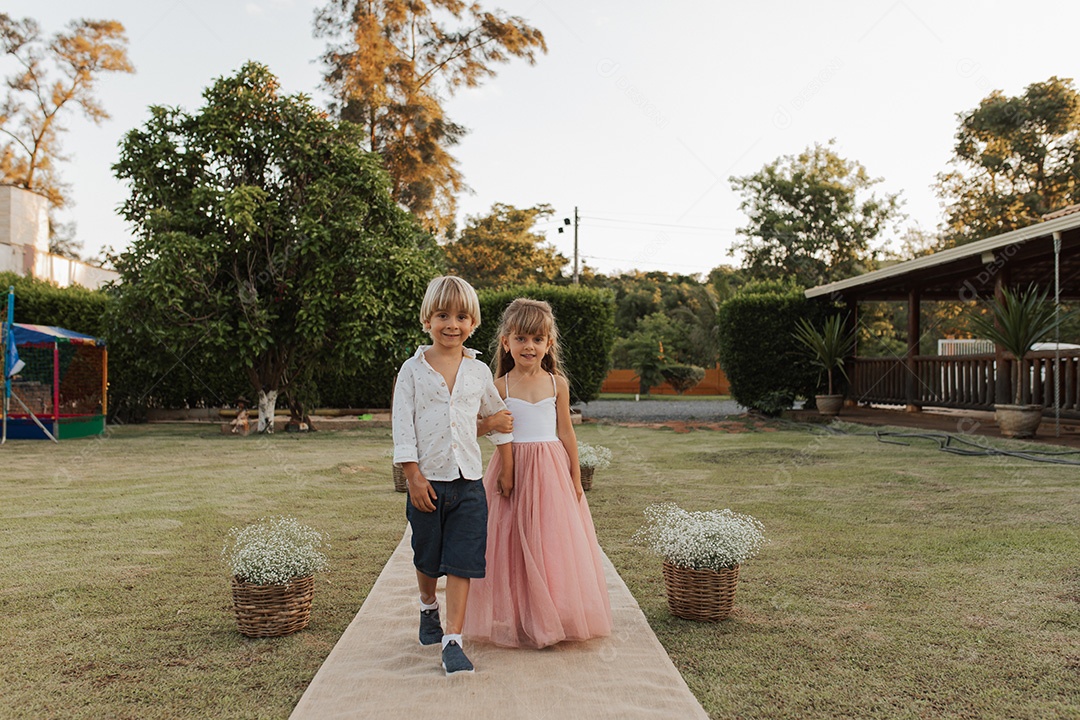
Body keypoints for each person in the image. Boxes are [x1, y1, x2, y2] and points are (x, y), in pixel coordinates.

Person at [464, 298, 613, 648]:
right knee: (511, 544)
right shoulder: (499, 386)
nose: (528, 346)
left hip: (550, 472)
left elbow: (566, 432)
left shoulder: (556, 383)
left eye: (536, 339)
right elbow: (483, 427)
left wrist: (575, 477)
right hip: (511, 468)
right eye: (520, 339)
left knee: (549, 542)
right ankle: (517, 616)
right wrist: (503, 464)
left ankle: (549, 615)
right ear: (506, 343)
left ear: (548, 344)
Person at [392, 275, 514, 675]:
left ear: (473, 323)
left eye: (461, 316)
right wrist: (413, 475)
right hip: (427, 482)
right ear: (427, 319)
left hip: (469, 484)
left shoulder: (478, 373)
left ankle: (453, 640)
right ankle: (429, 606)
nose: (452, 324)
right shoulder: (411, 371)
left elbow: (498, 420)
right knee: (427, 557)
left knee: (462, 560)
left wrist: (507, 464)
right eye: (443, 315)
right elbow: (403, 427)